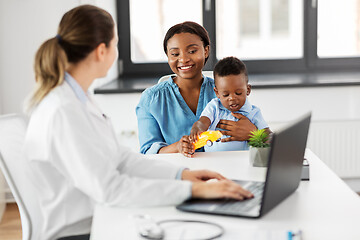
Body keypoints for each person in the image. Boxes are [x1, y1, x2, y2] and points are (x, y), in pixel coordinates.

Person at [23, 5, 253, 240]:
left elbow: (120, 158)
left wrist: (182, 175)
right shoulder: (64, 110)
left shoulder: (78, 99)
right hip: (81, 230)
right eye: (116, 44)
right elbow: (111, 189)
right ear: (102, 51)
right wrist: (195, 190)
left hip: (100, 215)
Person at [136, 21, 257, 157]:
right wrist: (177, 147)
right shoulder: (151, 99)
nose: (183, 59)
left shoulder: (227, 93)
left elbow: (256, 133)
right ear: (168, 56)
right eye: (175, 54)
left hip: (224, 171)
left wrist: (253, 132)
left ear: (206, 51)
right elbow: (147, 151)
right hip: (177, 174)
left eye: (192, 51)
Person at [190, 57, 271, 152]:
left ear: (248, 90)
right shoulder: (214, 106)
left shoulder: (253, 112)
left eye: (238, 93)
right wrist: (197, 127)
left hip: (241, 160)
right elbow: (203, 121)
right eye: (225, 95)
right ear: (217, 93)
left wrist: (255, 133)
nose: (232, 98)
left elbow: (269, 137)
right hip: (212, 160)